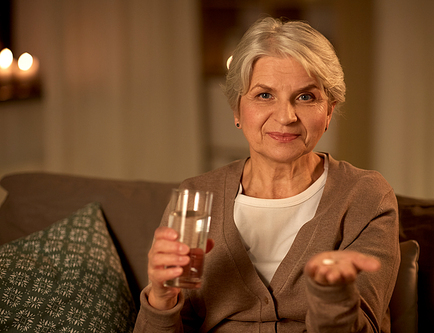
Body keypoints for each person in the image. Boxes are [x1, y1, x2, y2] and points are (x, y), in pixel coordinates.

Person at [134, 17, 400, 333]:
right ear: (236, 109)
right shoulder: (197, 195)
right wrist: (161, 298)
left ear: (329, 110)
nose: (286, 117)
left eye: (306, 96)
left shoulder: (365, 196)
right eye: (264, 95)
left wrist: (332, 296)